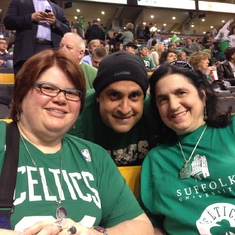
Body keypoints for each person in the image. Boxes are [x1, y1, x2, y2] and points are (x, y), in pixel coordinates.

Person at [0, 49, 154, 235]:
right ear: (21, 94)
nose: (60, 98)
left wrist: (95, 233)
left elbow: (141, 227)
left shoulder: (94, 155)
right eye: (48, 88)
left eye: (72, 93)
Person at [140, 60, 234, 235]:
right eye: (163, 99)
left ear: (203, 94)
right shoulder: (156, 160)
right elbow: (153, 225)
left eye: (181, 93)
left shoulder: (232, 131)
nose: (174, 105)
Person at [68, 51, 153, 166]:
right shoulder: (75, 117)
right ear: (98, 96)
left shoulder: (157, 113)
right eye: (114, 95)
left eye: (134, 96)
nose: (124, 109)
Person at [3, 0, 71, 76]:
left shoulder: (58, 9)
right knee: (24, 84)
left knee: (49, 83)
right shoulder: (18, 2)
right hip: (26, 50)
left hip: (51, 50)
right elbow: (8, 22)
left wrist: (55, 22)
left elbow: (67, 30)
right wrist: (30, 17)